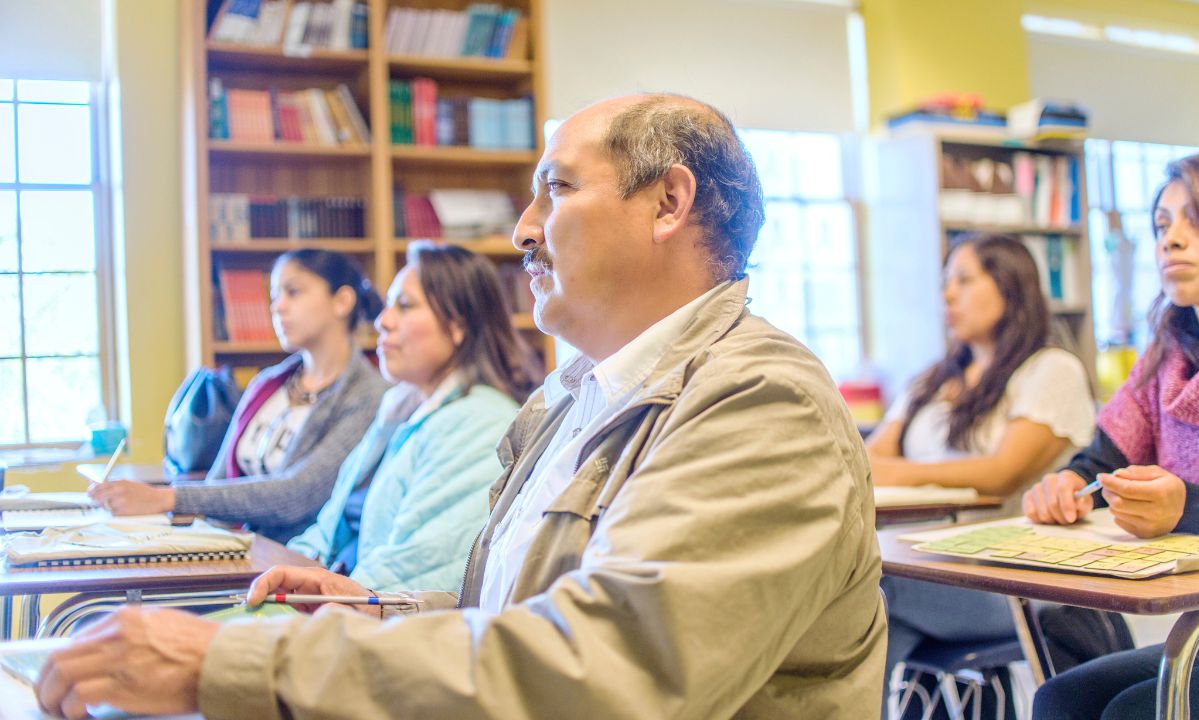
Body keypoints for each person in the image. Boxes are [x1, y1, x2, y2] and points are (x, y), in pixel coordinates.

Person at [35, 93, 887, 720]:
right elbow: (522, 618)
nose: (523, 230)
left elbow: (608, 673)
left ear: (669, 203)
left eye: (555, 191)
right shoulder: (576, 394)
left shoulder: (763, 401)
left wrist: (239, 659)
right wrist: (376, 611)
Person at [1024, 151, 1199, 719]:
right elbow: (1099, 459)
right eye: (1163, 225)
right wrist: (1066, 484)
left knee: (1130, 713)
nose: (1172, 241)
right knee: (1060, 699)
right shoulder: (1165, 359)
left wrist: (1188, 508)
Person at [866, 233, 1094, 711]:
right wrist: (902, 470)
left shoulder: (1050, 370)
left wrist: (902, 471)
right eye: (947, 283)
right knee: (866, 614)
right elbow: (865, 461)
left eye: (964, 280)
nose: (948, 295)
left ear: (1009, 287)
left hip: (1015, 586)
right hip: (930, 572)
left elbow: (1000, 474)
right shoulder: (935, 379)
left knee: (871, 586)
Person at [287, 243, 540, 591]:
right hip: (345, 601)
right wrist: (286, 574)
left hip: (375, 619)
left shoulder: (481, 423)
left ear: (457, 326)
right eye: (388, 305)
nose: (383, 321)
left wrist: (316, 598)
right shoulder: (401, 409)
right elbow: (327, 530)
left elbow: (417, 571)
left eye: (404, 306)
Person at [90, 249, 388, 543]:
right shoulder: (268, 384)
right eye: (274, 296)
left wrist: (166, 499)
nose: (278, 307)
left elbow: (296, 495)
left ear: (342, 301)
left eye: (293, 292)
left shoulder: (369, 396)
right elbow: (219, 481)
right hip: (234, 549)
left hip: (297, 565)